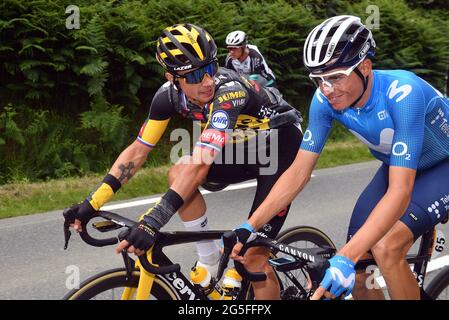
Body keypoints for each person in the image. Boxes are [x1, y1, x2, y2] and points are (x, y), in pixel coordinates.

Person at [65, 23, 303, 299]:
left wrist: (152, 221)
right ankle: (210, 260)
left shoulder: (228, 92)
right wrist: (92, 202)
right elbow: (138, 151)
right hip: (242, 148)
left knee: (252, 258)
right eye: (196, 74)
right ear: (172, 78)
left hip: (282, 148)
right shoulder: (167, 97)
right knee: (179, 171)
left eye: (210, 67)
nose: (207, 81)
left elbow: (203, 162)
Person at [229, 15, 449, 300]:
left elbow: (400, 190)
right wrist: (251, 225)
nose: (327, 89)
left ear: (365, 67)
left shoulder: (403, 94)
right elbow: (298, 172)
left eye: (335, 77)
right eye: (319, 79)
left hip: (442, 164)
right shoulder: (324, 100)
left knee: (386, 248)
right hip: (399, 165)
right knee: (356, 271)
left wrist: (345, 256)